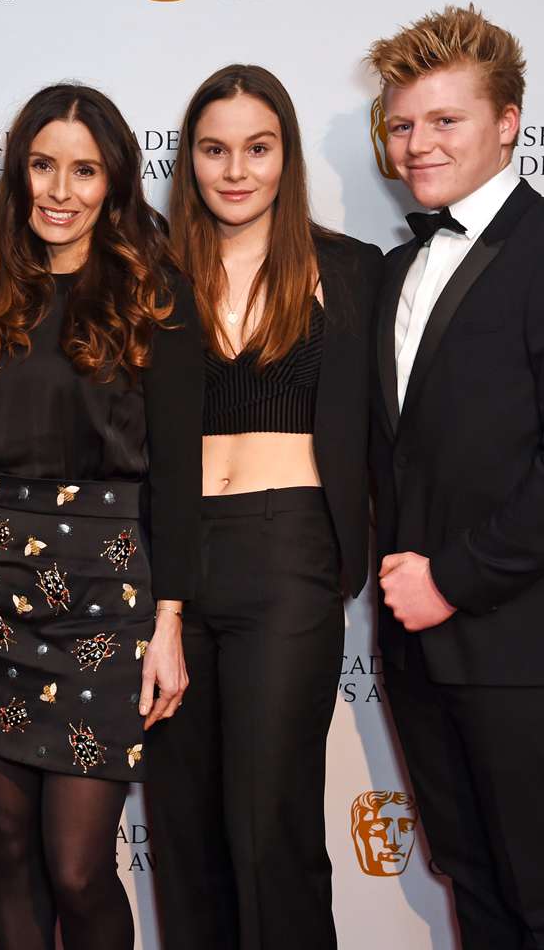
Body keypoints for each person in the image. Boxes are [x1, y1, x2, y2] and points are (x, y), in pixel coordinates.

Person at [367, 6, 544, 949]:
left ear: (508, 121)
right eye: (403, 124)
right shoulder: (397, 269)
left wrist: (452, 580)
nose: (418, 143)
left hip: (526, 646)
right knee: (475, 893)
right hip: (418, 654)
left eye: (446, 120)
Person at [0, 84, 200, 950]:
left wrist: (168, 622)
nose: (60, 189)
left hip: (106, 599)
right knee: (8, 850)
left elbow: (180, 480)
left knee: (78, 867)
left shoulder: (157, 299)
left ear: (114, 184)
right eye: (43, 166)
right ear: (18, 175)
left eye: (84, 170)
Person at [145, 65, 384, 950]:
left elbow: (403, 428)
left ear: (285, 154)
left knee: (268, 822)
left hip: (289, 557)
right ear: (190, 159)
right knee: (186, 828)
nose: (235, 170)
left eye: (257, 147)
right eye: (214, 149)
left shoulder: (352, 272)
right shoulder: (153, 276)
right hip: (171, 564)